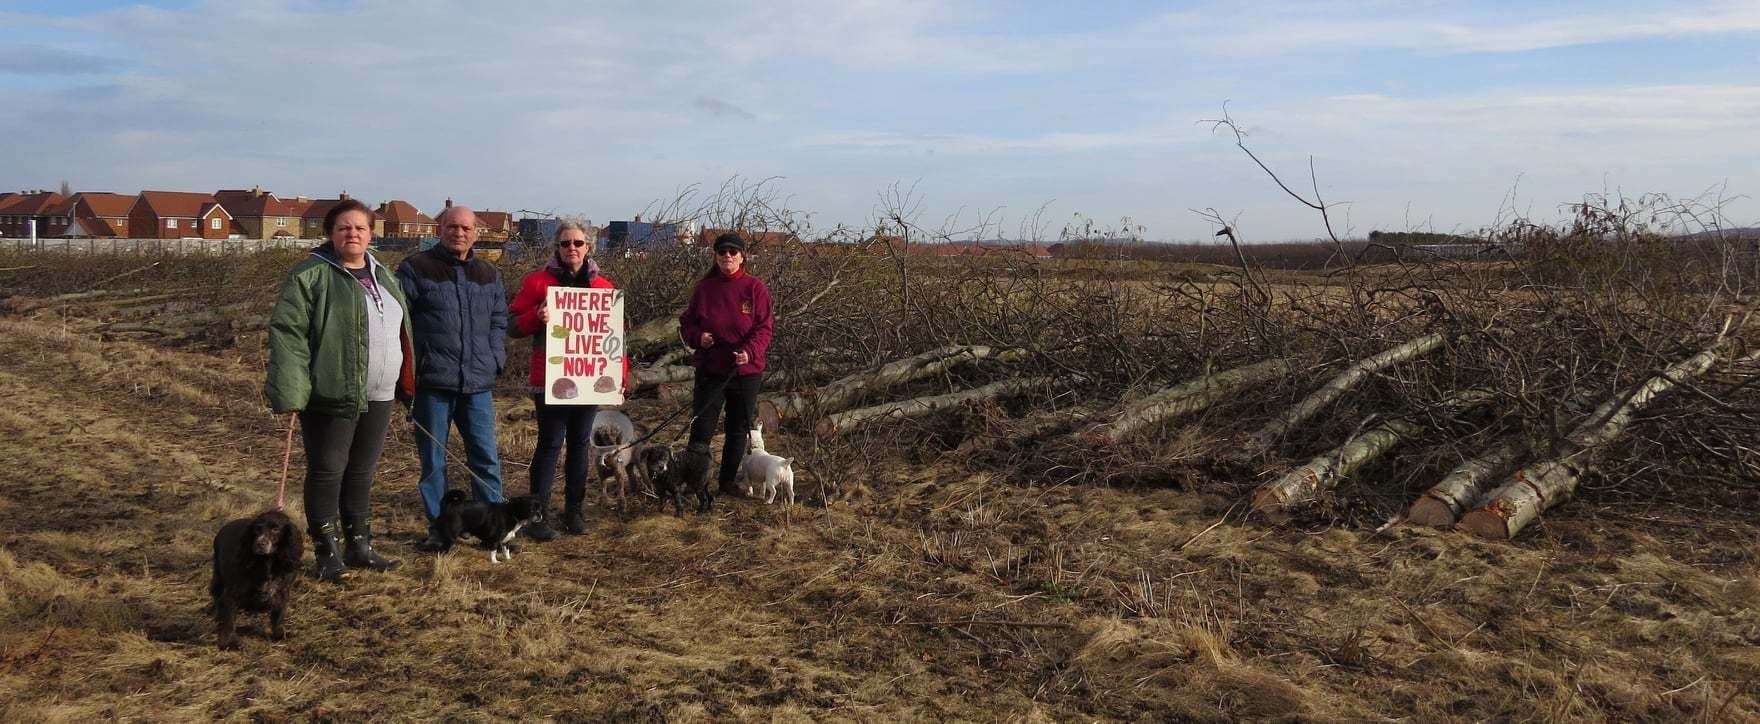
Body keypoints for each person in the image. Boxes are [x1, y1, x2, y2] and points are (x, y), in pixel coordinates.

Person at [265, 199, 411, 582]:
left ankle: (359, 544)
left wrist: (408, 379)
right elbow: (289, 334)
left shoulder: (384, 274)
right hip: (331, 392)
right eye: (344, 228)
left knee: (362, 472)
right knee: (328, 470)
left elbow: (401, 329)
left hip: (380, 392)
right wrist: (293, 389)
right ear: (330, 234)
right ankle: (327, 550)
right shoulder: (310, 275)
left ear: (371, 234)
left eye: (360, 228)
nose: (353, 234)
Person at [396, 205, 510, 552]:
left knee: (486, 458)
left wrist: (495, 359)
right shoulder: (415, 268)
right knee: (433, 462)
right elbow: (401, 322)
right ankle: (439, 529)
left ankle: (493, 529)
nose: (459, 233)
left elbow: (499, 320)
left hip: (477, 384)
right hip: (433, 383)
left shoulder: (488, 273)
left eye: (465, 228)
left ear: (476, 233)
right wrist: (407, 374)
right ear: (439, 229)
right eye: (451, 227)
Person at [506, 220, 621, 538]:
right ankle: (537, 515)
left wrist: (619, 375)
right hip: (550, 379)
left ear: (589, 247)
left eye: (578, 243)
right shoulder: (537, 283)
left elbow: (614, 337)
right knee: (550, 444)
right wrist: (535, 317)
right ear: (556, 248)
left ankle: (574, 511)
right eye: (566, 243)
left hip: (588, 379)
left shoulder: (604, 288)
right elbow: (512, 324)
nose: (572, 248)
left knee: (580, 446)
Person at [679, 232, 774, 497]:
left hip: (745, 371)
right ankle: (693, 479)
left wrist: (750, 352)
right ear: (716, 256)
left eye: (733, 251)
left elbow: (764, 327)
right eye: (722, 252)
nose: (728, 256)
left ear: (742, 256)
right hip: (711, 369)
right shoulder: (704, 288)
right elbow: (687, 323)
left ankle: (727, 482)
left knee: (737, 428)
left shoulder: (755, 288)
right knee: (702, 427)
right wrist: (699, 337)